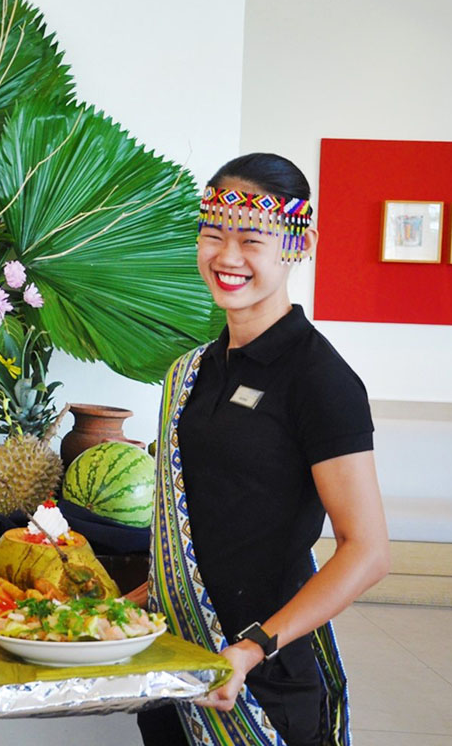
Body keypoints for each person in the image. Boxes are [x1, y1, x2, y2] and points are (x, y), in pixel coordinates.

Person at [138, 154, 390, 746]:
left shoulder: (319, 378)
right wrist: (124, 605)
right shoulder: (192, 372)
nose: (227, 257)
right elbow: (210, 528)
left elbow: (369, 551)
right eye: (212, 235)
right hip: (176, 668)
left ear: (298, 244)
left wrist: (254, 647)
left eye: (252, 239)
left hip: (267, 676)